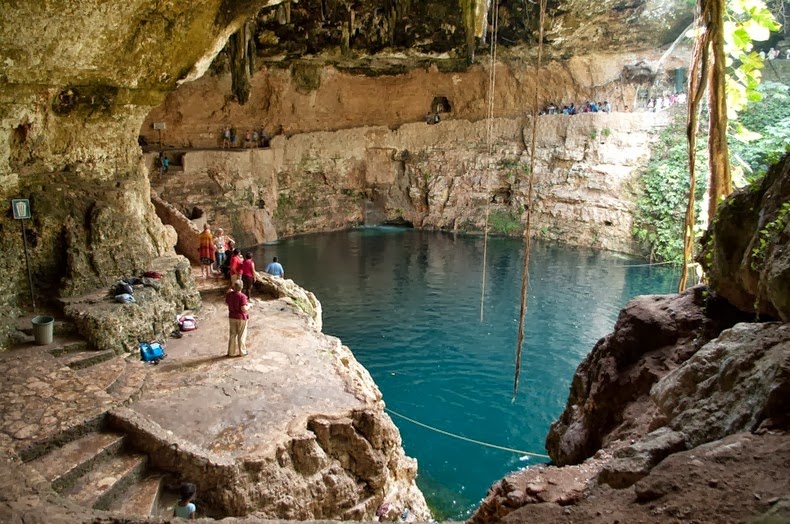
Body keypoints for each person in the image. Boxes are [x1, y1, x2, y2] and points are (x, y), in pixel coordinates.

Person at [226, 280, 249, 357]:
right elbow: (243, 309)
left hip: (232, 317)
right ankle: (242, 352)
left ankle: (231, 352)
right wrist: (249, 306)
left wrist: (230, 292)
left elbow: (226, 303)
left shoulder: (229, 295)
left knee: (232, 334)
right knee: (241, 335)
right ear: (241, 287)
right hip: (241, 318)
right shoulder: (242, 296)